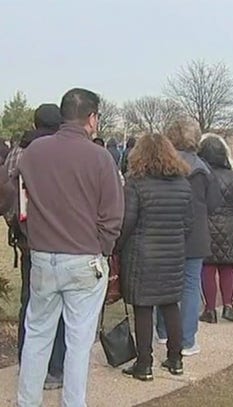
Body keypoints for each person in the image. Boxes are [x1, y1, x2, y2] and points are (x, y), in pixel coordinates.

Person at [16, 88, 124, 406]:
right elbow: (113, 213)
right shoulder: (100, 157)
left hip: (44, 256)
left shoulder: (32, 153)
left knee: (37, 333)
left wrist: (34, 237)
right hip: (84, 257)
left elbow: (22, 207)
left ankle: (27, 401)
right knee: (78, 340)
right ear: (91, 118)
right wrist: (102, 248)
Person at [116, 133, 193, 381]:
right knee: (171, 305)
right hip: (173, 252)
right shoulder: (183, 183)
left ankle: (144, 362)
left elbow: (127, 222)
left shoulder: (136, 183)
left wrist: (116, 246)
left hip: (142, 254)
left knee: (143, 307)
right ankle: (175, 358)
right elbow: (188, 222)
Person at [4, 104, 66, 391]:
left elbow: (7, 192)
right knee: (62, 305)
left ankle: (27, 364)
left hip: (30, 239)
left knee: (31, 303)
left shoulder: (20, 151)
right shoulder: (66, 150)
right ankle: (56, 367)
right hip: (64, 237)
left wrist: (16, 225)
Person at [157, 127, 222, 357]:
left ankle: (163, 330)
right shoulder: (203, 169)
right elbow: (214, 202)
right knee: (190, 285)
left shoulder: (162, 166)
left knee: (164, 282)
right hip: (195, 234)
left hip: (166, 231)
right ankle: (186, 339)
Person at [197, 135, 233, 324]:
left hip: (206, 227)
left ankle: (210, 309)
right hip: (230, 225)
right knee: (228, 269)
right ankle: (229, 305)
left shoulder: (201, 177)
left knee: (208, 269)